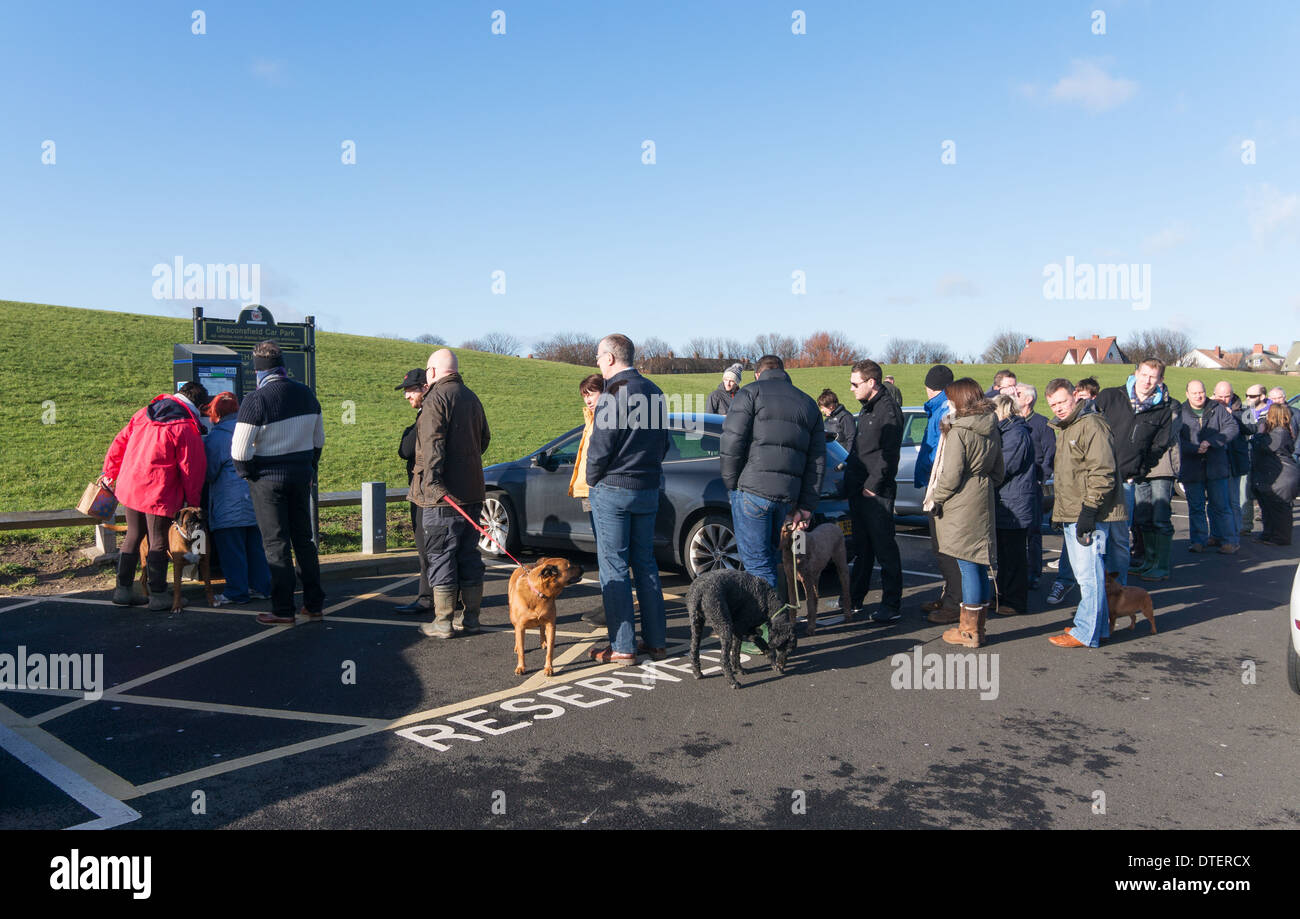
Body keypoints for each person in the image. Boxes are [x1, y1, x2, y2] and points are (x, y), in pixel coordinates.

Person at [586, 334, 670, 663]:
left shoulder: (612, 393)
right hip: (648, 487)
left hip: (614, 489)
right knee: (646, 565)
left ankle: (622, 646)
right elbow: (664, 444)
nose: (596, 362)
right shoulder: (655, 392)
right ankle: (657, 641)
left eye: (597, 357)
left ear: (609, 358)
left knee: (614, 568)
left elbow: (601, 447)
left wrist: (594, 479)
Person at [233, 340, 326, 625]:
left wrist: (249, 473)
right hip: (300, 478)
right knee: (304, 542)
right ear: (283, 366)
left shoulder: (255, 400)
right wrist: (308, 467)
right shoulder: (307, 395)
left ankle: (283, 609)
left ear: (259, 371)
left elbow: (239, 451)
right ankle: (313, 605)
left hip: (267, 481)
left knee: (276, 545)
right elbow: (318, 440)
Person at [721, 354, 825, 597]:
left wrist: (732, 484)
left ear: (758, 374)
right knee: (773, 558)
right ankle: (778, 619)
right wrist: (807, 505)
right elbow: (817, 460)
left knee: (757, 563)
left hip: (752, 491)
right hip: (787, 496)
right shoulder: (808, 403)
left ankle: (769, 628)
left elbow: (731, 442)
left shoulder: (750, 393)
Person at [103, 383, 209, 609]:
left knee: (133, 536)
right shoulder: (185, 426)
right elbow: (192, 469)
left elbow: (118, 444)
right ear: (199, 405)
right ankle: (159, 595)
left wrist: (110, 472)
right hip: (159, 490)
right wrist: (193, 502)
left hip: (131, 485)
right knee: (158, 541)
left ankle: (122, 590)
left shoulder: (144, 413)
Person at [410, 349, 491, 638]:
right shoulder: (471, 396)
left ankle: (443, 621)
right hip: (472, 491)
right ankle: (472, 619)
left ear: (432, 372)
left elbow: (433, 445)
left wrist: (432, 482)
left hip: (442, 495)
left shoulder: (435, 398)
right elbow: (484, 439)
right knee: (469, 554)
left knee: (441, 554)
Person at [1043, 378, 1125, 649]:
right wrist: (1060, 514)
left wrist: (1089, 511)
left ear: (1075, 396)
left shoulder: (1091, 425)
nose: (1058, 408)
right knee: (1087, 575)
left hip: (1090, 513)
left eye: (1063, 402)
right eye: (1053, 404)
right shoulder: (1068, 427)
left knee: (1089, 575)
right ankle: (1096, 627)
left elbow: (1102, 472)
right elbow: (1070, 477)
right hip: (1074, 512)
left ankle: (1085, 631)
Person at [924, 379, 1004, 647]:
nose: (947, 403)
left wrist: (937, 499)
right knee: (978, 565)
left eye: (950, 398)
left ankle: (969, 632)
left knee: (966, 564)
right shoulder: (991, 427)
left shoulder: (959, 431)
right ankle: (976, 628)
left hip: (960, 502)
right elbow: (998, 472)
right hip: (982, 497)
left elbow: (951, 474)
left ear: (960, 399)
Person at [1093, 359, 1177, 584]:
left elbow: (1158, 446)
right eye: (1144, 374)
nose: (1147, 381)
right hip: (1097, 476)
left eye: (1153, 377)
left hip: (1127, 480)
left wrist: (1139, 469)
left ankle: (1119, 586)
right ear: (1136, 373)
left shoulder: (1162, 410)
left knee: (1120, 539)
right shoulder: (1110, 397)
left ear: (1160, 380)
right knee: (1093, 534)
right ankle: (1092, 585)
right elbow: (1087, 426)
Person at [844, 359, 904, 623]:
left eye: (855, 384)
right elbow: (863, 449)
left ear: (872, 382)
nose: (851, 389)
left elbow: (889, 455)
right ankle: (854, 599)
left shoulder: (887, 410)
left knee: (884, 547)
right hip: (860, 489)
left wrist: (873, 486)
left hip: (875, 493)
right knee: (862, 547)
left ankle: (891, 605)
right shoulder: (868, 408)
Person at [203, 392, 272, 606]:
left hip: (228, 505)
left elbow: (210, 473)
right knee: (255, 548)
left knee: (232, 551)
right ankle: (262, 587)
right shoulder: (253, 432)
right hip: (255, 499)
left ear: (214, 414)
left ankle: (236, 592)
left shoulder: (216, 438)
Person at [916, 365, 964, 623]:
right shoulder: (943, 409)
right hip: (940, 486)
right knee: (944, 548)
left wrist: (935, 489)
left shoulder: (943, 411)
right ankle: (950, 596)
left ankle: (954, 604)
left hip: (940, 489)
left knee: (945, 548)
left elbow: (939, 454)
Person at [1177, 380, 1239, 554]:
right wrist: (1194, 448)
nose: (1199, 396)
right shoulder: (1180, 412)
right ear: (1187, 394)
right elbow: (1175, 439)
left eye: (1201, 392)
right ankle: (1198, 541)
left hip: (1216, 466)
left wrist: (1212, 442)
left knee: (1221, 506)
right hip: (1191, 467)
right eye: (1195, 393)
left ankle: (1229, 541)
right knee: (1196, 507)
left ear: (1206, 392)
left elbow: (1232, 428)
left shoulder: (1217, 409)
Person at [568, 373, 606, 626]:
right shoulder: (592, 417)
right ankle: (608, 603)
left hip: (597, 490)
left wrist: (591, 481)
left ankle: (610, 606)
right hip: (588, 491)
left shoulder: (605, 417)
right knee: (603, 550)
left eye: (591, 393)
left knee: (607, 552)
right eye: (585, 395)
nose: (588, 399)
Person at [394, 368, 432, 614]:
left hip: (425, 491)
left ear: (424, 388)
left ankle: (426, 598)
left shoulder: (425, 416)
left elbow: (405, 450)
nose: (406, 396)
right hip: (434, 489)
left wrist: (409, 431)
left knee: (425, 548)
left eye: (410, 390)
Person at [992, 394, 1034, 615]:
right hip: (1008, 500)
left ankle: (1015, 601)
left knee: (1014, 556)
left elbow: (1005, 467)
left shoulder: (1015, 434)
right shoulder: (1009, 432)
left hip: (1014, 503)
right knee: (1005, 555)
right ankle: (1002, 596)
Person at [1015, 382, 1055, 591]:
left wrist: (1042, 478)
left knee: (1033, 532)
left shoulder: (1042, 424)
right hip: (1014, 487)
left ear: (1028, 399)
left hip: (1033, 486)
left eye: (1018, 393)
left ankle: (1033, 573)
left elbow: (1050, 454)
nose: (1014, 396)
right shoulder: (1011, 423)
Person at [1251, 403, 1299, 546]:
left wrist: (1259, 432)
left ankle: (1281, 538)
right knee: (1267, 506)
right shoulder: (1279, 431)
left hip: (1283, 477)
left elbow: (1262, 446)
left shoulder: (1279, 433)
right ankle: (1268, 534)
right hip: (1274, 475)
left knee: (1280, 508)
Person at [1213, 381, 1250, 540]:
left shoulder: (1245, 409)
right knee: (1215, 502)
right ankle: (1215, 534)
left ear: (1233, 394)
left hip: (1234, 460)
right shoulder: (1210, 408)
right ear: (1214, 395)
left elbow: (1252, 428)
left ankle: (1234, 533)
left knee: (1233, 500)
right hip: (1214, 461)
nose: (1223, 399)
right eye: (1220, 396)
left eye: (1227, 396)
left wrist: (1232, 415)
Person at [1238, 384, 1271, 534]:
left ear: (1262, 397)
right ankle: (1245, 525)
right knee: (1245, 490)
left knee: (1266, 492)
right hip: (1248, 455)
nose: (1247, 399)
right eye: (1246, 395)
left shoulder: (1273, 411)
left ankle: (1270, 527)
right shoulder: (1246, 411)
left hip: (1266, 458)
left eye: (1252, 396)